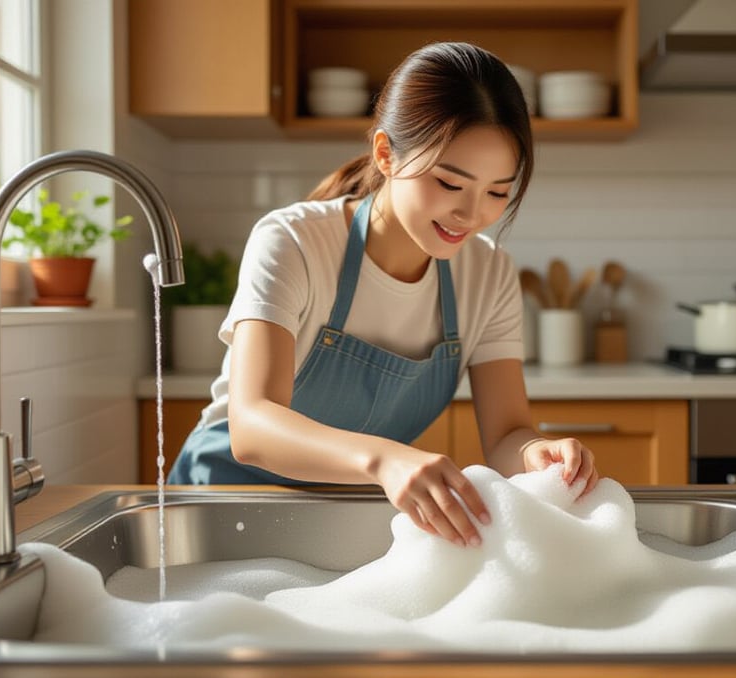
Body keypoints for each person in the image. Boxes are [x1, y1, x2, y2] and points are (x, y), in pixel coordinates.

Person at [168, 42, 599, 548]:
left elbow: (506, 434)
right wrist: (384, 459)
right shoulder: (293, 241)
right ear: (385, 155)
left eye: (498, 192)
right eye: (448, 182)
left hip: (342, 519)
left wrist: (537, 452)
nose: (471, 214)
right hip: (224, 509)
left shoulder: (490, 273)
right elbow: (252, 425)